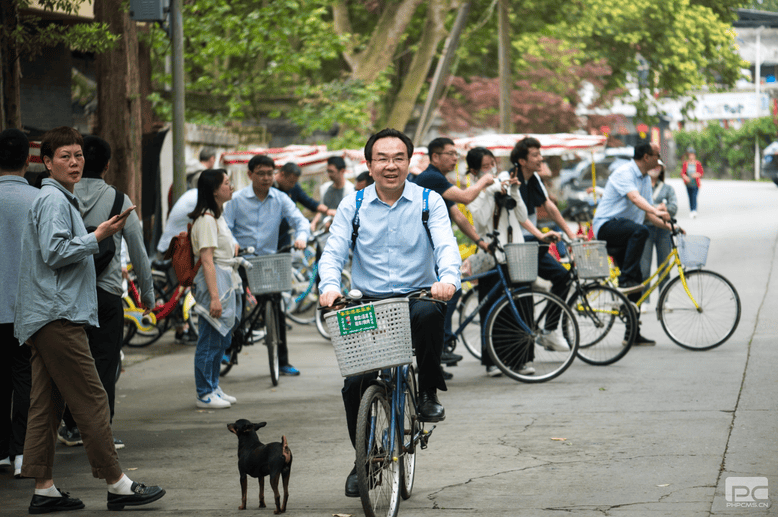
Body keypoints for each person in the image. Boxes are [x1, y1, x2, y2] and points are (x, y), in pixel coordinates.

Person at [15, 126, 165, 513]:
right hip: (56, 314)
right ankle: (117, 483)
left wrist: (95, 235)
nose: (74, 162)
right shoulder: (52, 200)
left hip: (47, 313)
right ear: (46, 162)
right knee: (93, 397)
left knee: (45, 405)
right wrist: (97, 235)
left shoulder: (57, 198)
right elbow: (55, 252)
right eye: (64, 156)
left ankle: (43, 488)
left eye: (78, 156)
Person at [318, 128, 460, 498]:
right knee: (355, 385)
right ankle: (364, 456)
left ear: (410, 162)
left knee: (431, 313)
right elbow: (333, 252)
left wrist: (447, 279)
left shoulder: (429, 201)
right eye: (382, 158)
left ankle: (427, 390)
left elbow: (446, 245)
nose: (391, 165)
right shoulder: (354, 204)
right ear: (369, 164)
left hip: (418, 296)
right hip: (368, 303)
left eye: (398, 157)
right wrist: (329, 287)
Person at [56, 136, 156, 449]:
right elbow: (138, 252)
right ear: (108, 165)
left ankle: (71, 426)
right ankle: (100, 430)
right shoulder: (120, 200)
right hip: (106, 293)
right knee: (104, 363)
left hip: (66, 293)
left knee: (69, 363)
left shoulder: (57, 196)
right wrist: (148, 297)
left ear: (81, 160)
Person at [465, 147, 561, 376]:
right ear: (474, 170)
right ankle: (492, 361)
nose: (491, 169)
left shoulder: (504, 183)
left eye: (492, 164)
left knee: (522, 304)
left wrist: (514, 191)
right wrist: (489, 191)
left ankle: (522, 360)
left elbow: (521, 215)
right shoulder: (474, 192)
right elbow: (480, 220)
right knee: (491, 307)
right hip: (493, 255)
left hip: (516, 252)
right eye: (485, 166)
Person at [411, 138, 494, 373]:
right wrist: (486, 181)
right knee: (447, 293)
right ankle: (441, 344)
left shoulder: (439, 181)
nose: (455, 158)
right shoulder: (431, 178)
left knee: (447, 294)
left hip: (434, 247)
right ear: (435, 157)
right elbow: (466, 198)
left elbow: (457, 215)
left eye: (456, 154)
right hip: (426, 249)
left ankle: (437, 353)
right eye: (450, 154)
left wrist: (480, 241)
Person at [224, 154, 310, 376]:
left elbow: (300, 220)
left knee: (276, 307)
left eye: (269, 173)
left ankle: (282, 362)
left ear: (275, 175)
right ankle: (229, 347)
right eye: (260, 173)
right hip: (242, 261)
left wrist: (301, 237)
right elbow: (225, 226)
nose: (265, 178)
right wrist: (233, 243)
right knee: (237, 304)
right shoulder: (237, 199)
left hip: (269, 262)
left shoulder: (280, 199)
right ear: (250, 174)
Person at [592, 142, 673, 345]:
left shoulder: (645, 178)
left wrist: (672, 228)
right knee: (641, 233)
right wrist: (655, 210)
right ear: (646, 157)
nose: (658, 160)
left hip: (626, 233)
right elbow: (636, 199)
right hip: (607, 227)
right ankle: (626, 278)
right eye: (656, 156)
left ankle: (632, 334)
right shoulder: (625, 172)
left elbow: (648, 212)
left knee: (637, 284)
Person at [510, 137, 574, 351]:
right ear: (522, 160)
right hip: (515, 247)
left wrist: (570, 233)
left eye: (540, 154)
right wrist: (540, 234)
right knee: (523, 293)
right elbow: (519, 216)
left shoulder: (534, 178)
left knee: (563, 277)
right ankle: (521, 349)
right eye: (535, 155)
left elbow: (550, 206)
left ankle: (548, 332)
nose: (541, 158)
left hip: (531, 244)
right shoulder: (510, 178)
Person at [0, 129, 38, 479]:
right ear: (29, 159)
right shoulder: (38, 201)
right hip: (25, 308)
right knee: (25, 377)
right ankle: (21, 452)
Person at [189, 169, 242, 408]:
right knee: (209, 340)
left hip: (225, 280)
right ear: (214, 190)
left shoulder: (217, 216)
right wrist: (214, 298)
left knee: (219, 339)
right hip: (215, 283)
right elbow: (207, 260)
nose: (230, 187)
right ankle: (204, 392)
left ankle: (212, 386)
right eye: (227, 183)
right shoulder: (207, 219)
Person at [639, 159, 678, 305]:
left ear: (662, 169)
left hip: (663, 230)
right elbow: (640, 206)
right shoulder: (642, 186)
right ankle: (644, 300)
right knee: (644, 267)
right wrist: (659, 208)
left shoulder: (668, 188)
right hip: (646, 229)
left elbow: (674, 208)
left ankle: (664, 300)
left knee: (664, 267)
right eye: (653, 165)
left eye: (658, 166)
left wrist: (662, 209)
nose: (655, 168)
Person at [274, 161, 333, 243]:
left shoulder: (293, 188)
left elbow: (308, 202)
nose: (292, 185)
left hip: (284, 235)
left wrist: (328, 211)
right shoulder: (269, 188)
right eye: (291, 182)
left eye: (294, 182)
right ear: (282, 174)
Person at [311, 157, 355, 230]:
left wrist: (334, 213)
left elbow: (350, 214)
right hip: (324, 230)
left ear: (342, 171)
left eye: (331, 171)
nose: (329, 174)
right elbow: (322, 210)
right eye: (328, 171)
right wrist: (314, 222)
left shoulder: (350, 191)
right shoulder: (325, 188)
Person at [681, 147, 703, 218]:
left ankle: (694, 210)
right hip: (688, 184)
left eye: (692, 155)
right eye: (690, 155)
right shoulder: (686, 163)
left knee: (694, 196)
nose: (691, 156)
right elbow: (683, 173)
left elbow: (701, 173)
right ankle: (691, 210)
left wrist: (696, 175)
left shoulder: (697, 163)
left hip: (695, 184)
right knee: (690, 197)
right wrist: (685, 177)